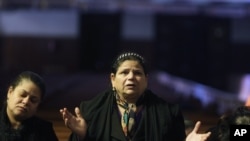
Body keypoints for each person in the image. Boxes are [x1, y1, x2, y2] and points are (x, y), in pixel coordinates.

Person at [60, 51, 211, 141]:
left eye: (137, 73)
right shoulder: (91, 111)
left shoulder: (169, 113)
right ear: (113, 79)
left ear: (146, 79)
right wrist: (82, 136)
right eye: (124, 72)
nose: (131, 77)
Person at [0, 71, 59, 141]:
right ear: (10, 92)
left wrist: (76, 132)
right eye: (22, 95)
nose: (26, 102)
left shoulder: (44, 130)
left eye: (33, 100)